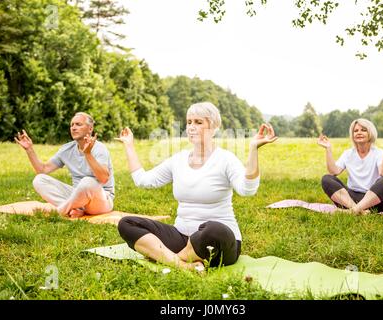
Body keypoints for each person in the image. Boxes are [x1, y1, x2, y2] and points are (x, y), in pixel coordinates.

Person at [115, 102, 277, 271]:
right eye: (189, 122)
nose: (191, 127)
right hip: (181, 237)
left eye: (199, 122)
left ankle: (170, 258)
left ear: (214, 128)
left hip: (217, 243)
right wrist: (129, 145)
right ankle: (184, 265)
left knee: (214, 229)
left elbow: (247, 189)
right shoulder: (178, 160)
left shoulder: (225, 159)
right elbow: (143, 180)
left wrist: (253, 149)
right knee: (127, 223)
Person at [14, 112, 115, 218]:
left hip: (101, 200)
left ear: (90, 129)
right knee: (39, 180)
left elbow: (104, 178)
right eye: (72, 125)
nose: (74, 128)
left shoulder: (100, 148)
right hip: (77, 196)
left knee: (88, 182)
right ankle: (76, 209)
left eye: (78, 124)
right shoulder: (66, 149)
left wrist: (88, 153)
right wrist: (29, 150)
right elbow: (42, 170)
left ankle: (60, 211)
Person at [317, 118, 383, 214]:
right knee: (326, 179)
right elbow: (333, 172)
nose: (359, 133)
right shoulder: (348, 153)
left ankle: (352, 211)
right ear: (352, 135)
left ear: (370, 133)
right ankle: (357, 210)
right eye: (355, 131)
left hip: (375, 200)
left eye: (363, 130)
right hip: (350, 199)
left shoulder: (379, 153)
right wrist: (328, 149)